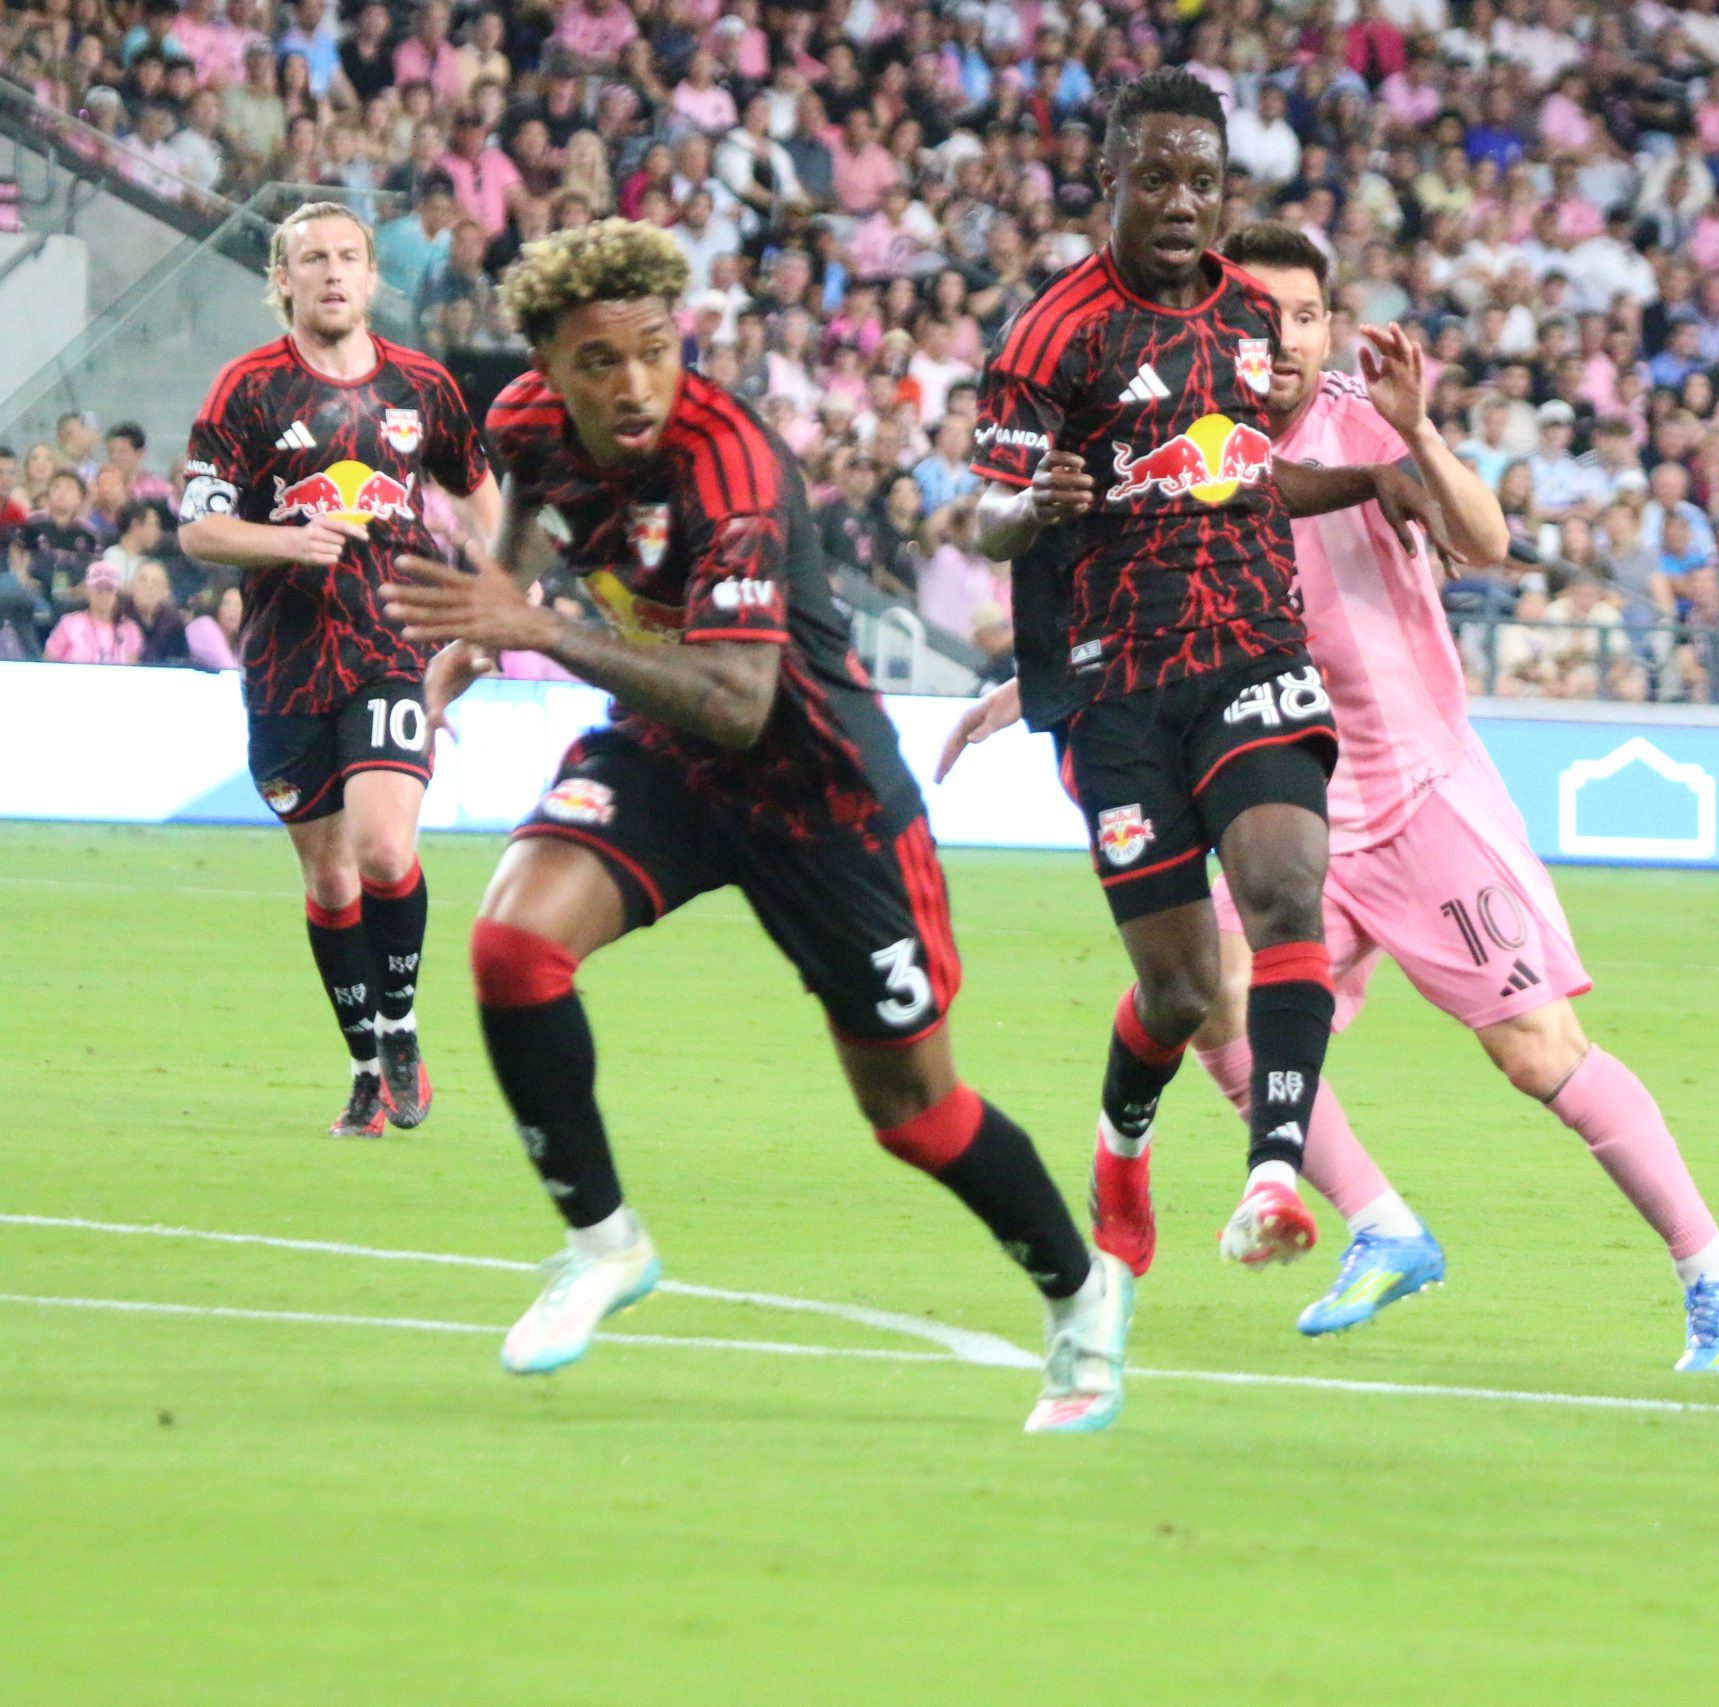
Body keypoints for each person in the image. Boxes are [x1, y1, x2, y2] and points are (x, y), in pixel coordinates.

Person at [945, 223, 1719, 1371]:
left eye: (1304, 316)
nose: (1282, 339)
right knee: (1213, 1003)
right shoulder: (1186, 433)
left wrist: (1419, 430)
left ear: (1329, 326)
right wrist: (1024, 689)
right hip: (1287, 799)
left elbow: (1485, 540)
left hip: (1418, 796)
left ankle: (1713, 1266)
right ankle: (1384, 1228)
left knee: (1538, 1054)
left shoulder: (1363, 421)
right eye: (1262, 315)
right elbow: (1126, 594)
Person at [382, 220, 1129, 1433]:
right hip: (666, 756)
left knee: (915, 1114)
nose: (634, 384)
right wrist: (493, 607)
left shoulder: (729, 465)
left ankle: (1081, 1290)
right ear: (548, 367)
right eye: (598, 362)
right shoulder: (521, 418)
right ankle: (603, 1242)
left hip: (819, 793)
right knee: (512, 946)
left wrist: (539, 629)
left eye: (654, 350)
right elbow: (529, 494)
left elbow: (739, 700)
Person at [962, 71, 1429, 1271]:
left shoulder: (1250, 316)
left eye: (1203, 182)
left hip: (1249, 649)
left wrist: (1372, 478)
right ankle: (1120, 1145)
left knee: (1285, 892)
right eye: (1157, 178)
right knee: (1176, 993)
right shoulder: (1050, 336)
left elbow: (1245, 473)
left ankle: (1273, 1175)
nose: (1181, 202)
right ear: (1109, 179)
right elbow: (984, 521)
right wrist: (1032, 503)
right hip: (1113, 686)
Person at [174, 201, 501, 1138]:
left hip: (392, 644)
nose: (331, 272)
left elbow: (481, 496)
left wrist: (500, 594)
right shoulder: (246, 389)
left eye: (347, 257)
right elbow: (198, 528)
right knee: (328, 880)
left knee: (385, 850)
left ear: (370, 275)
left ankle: (399, 1028)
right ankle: (364, 1069)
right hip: (285, 663)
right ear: (282, 280)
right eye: (312, 258)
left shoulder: (422, 385)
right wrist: (288, 539)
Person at [44, 560, 145, 663]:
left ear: (116, 593)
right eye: (98, 589)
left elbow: (133, 668)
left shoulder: (129, 629)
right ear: (88, 592)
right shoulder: (68, 625)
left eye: (109, 590)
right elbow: (47, 663)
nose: (103, 595)